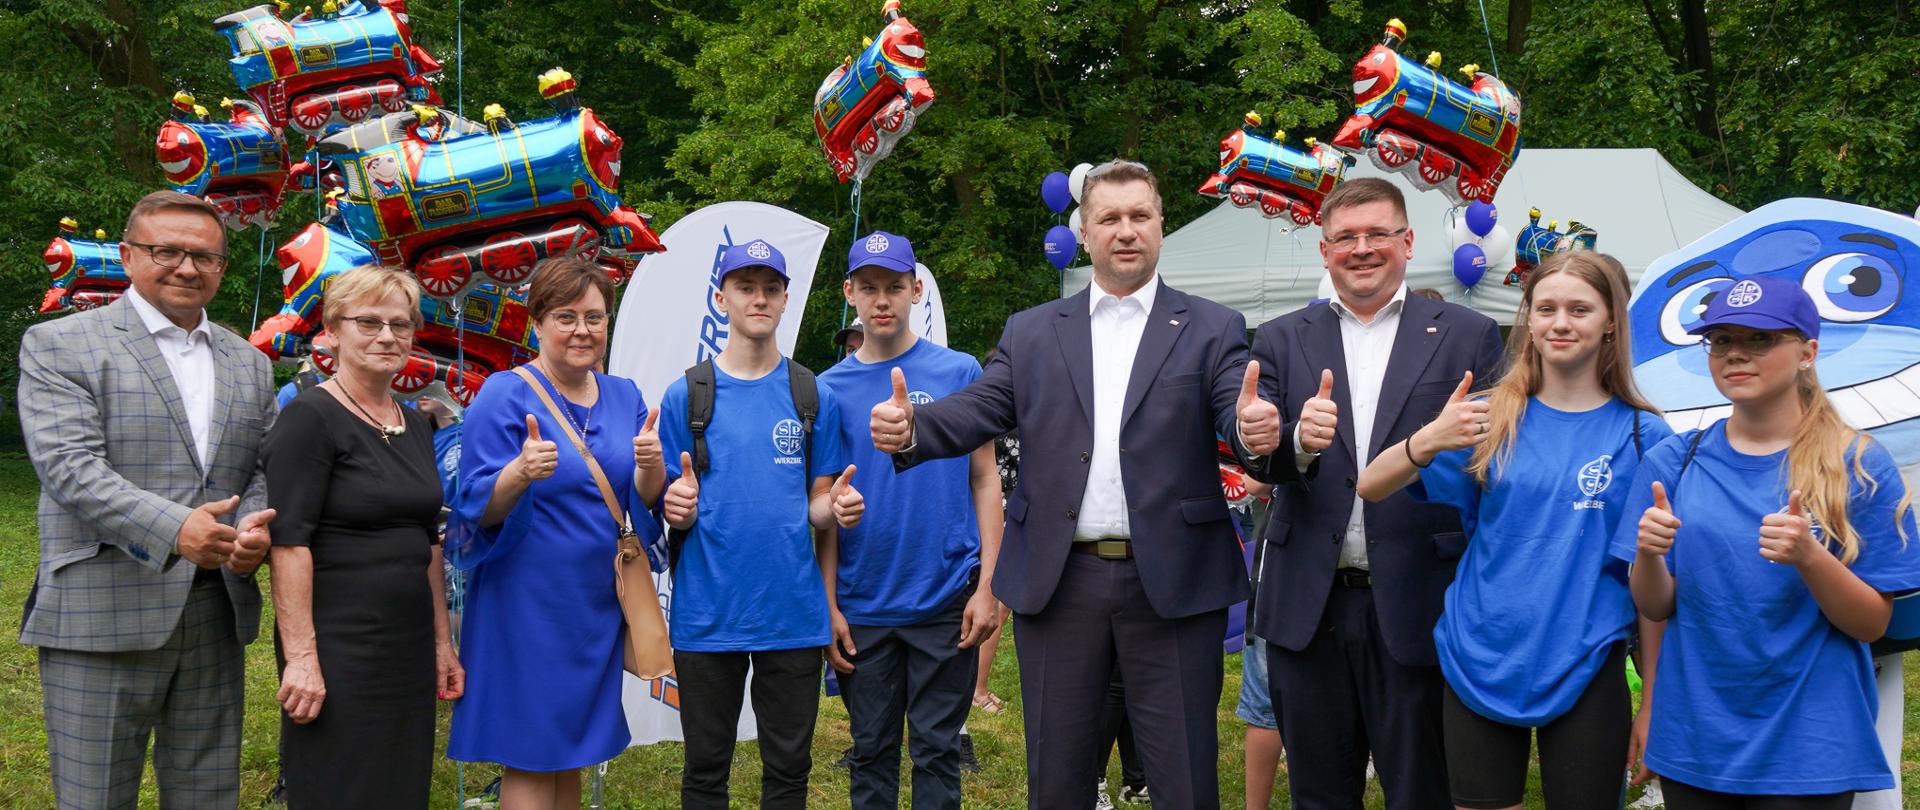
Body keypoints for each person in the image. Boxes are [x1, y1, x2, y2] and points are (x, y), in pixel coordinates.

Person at [872, 159, 1282, 809]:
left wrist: (1252, 428)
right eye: (1109, 218)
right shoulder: (1033, 332)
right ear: (1085, 233)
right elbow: (981, 407)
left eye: (1139, 216)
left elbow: (1236, 407)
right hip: (1059, 585)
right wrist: (912, 426)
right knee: (1058, 779)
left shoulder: (1212, 327)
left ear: (1160, 227)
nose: (1126, 230)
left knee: (1186, 780)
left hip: (1174, 583)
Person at [1354, 251, 1670, 809]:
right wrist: (1427, 438)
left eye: (1579, 308)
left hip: (1586, 658)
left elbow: (1648, 583)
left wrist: (1653, 700)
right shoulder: (1488, 416)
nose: (1560, 322)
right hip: (1480, 654)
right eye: (1545, 308)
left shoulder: (1644, 435)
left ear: (1611, 322)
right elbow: (1371, 485)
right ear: (1529, 319)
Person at [1244, 176, 1505, 810]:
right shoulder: (1280, 337)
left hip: (1420, 598)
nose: (1362, 248)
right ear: (1324, 248)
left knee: (1422, 791)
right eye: (1345, 237)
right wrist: (1295, 442)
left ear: (1408, 242)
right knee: (1319, 792)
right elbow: (1265, 461)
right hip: (1310, 602)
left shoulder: (1469, 334)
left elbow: (1493, 463)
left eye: (1378, 234)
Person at [18, 189, 278, 809]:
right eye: (167, 251)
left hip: (214, 611)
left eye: (205, 257)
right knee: (95, 797)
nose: (187, 268)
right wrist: (176, 527)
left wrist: (254, 529)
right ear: (128, 256)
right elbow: (69, 467)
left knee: (206, 794)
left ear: (221, 268)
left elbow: (261, 467)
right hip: (102, 607)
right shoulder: (61, 344)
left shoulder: (249, 363)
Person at [1618, 275, 1920, 808]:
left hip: (1810, 742)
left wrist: (1809, 557)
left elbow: (1872, 623)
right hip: (1698, 735)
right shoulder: (1672, 461)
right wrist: (1648, 554)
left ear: (1808, 352)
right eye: (1721, 340)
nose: (1736, 354)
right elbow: (1655, 604)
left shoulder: (1859, 466)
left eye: (1760, 339)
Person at [445, 257, 666, 810]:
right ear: (537, 323)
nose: (582, 330)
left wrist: (651, 466)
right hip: (526, 605)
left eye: (594, 317)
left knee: (572, 751)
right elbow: (475, 510)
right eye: (566, 316)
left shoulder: (624, 395)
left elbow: (640, 498)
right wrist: (518, 473)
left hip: (594, 604)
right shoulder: (504, 394)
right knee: (531, 754)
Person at [656, 238, 864, 809]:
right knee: (704, 769)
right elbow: (667, 497)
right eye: (746, 287)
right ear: (721, 298)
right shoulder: (687, 395)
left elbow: (817, 505)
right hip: (707, 613)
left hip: (792, 613)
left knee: (790, 771)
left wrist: (836, 508)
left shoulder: (811, 393)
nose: (759, 298)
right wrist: (676, 504)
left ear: (786, 300)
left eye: (771, 288)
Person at [260, 265, 464, 808]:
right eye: (368, 322)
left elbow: (428, 540)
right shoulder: (310, 418)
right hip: (338, 645)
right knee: (341, 784)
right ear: (332, 330)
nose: (386, 336)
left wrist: (442, 644)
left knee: (401, 785)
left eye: (400, 324)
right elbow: (288, 542)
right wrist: (301, 658)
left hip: (407, 642)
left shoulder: (416, 423)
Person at [819, 230, 1003, 810]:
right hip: (863, 602)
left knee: (937, 752)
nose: (882, 300)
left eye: (894, 287)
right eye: (869, 287)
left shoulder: (959, 370)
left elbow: (985, 478)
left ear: (915, 290)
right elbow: (823, 503)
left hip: (945, 597)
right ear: (849, 292)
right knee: (870, 753)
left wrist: (989, 588)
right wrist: (829, 607)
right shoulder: (827, 389)